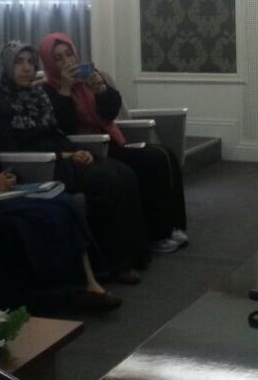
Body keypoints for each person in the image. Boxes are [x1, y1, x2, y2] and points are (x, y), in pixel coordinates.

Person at [0, 58, 123, 308]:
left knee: (63, 203)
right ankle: (61, 292)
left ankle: (86, 283)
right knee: (42, 216)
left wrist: (5, 176)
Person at [0, 41, 158, 262]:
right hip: (40, 166)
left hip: (63, 154)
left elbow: (57, 133)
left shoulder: (37, 95)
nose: (27, 68)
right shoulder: (0, 104)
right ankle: (112, 262)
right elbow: (13, 150)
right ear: (6, 66)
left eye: (31, 62)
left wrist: (76, 150)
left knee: (123, 172)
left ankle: (133, 254)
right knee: (106, 180)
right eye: (19, 62)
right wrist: (64, 155)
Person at [40, 33, 188, 252]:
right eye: (58, 58)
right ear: (50, 63)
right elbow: (64, 126)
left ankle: (172, 225)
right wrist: (65, 90)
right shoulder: (48, 90)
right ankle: (156, 234)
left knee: (164, 155)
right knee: (150, 162)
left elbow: (110, 112)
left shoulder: (88, 79)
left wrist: (100, 89)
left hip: (114, 141)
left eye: (69, 54)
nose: (67, 62)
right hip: (89, 147)